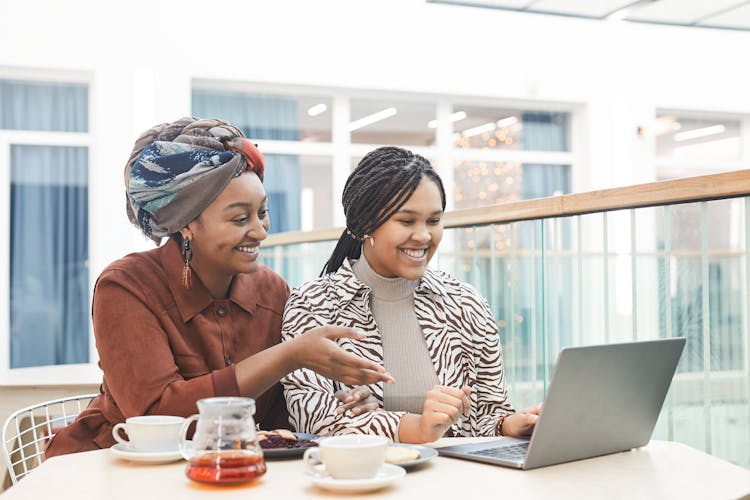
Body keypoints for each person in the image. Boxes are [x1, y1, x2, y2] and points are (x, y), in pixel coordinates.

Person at [46, 117, 392, 457]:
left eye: (263, 212)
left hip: (228, 470)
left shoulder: (273, 291)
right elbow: (155, 417)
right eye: (240, 218)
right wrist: (289, 355)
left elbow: (278, 414)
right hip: (116, 467)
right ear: (185, 224)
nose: (260, 231)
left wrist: (334, 402)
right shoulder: (125, 287)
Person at [281, 146, 540, 444]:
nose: (424, 236)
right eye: (406, 221)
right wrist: (418, 427)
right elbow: (313, 417)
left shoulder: (466, 303)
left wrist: (508, 425)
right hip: (364, 483)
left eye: (433, 221)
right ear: (366, 224)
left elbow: (488, 413)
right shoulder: (312, 305)